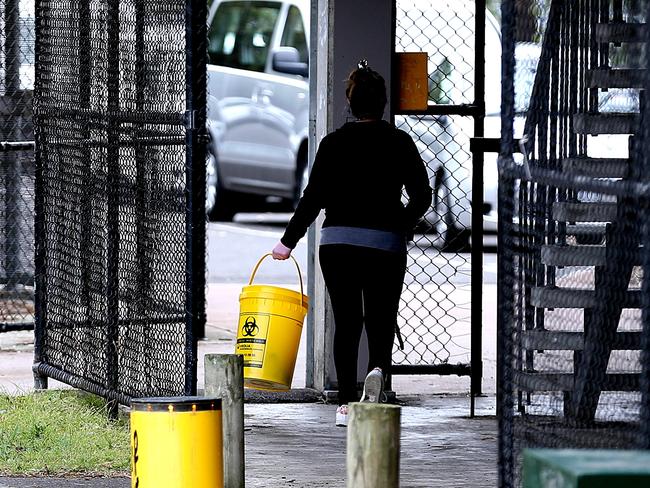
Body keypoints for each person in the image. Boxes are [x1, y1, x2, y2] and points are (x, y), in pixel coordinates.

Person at [271, 60, 432, 427]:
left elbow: (312, 198)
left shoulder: (333, 144)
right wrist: (400, 225)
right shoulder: (400, 142)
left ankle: (344, 402)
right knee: (380, 318)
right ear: (384, 103)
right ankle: (378, 385)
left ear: (350, 101)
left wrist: (288, 241)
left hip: (338, 243)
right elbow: (422, 196)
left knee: (346, 322)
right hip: (384, 245)